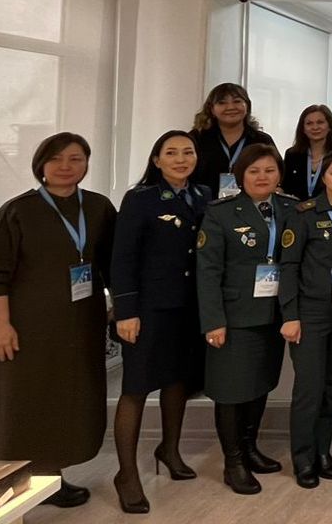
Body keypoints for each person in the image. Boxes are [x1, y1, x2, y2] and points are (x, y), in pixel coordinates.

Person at [0, 132, 117, 509]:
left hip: (81, 324)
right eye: (56, 159)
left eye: (76, 159)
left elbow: (114, 263)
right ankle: (9, 485)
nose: (66, 166)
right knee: (22, 401)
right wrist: (1, 325)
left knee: (68, 399)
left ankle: (51, 479)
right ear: (41, 165)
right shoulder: (18, 211)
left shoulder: (98, 207)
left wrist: (119, 305)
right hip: (28, 326)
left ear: (86, 164)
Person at [109, 131, 210, 513]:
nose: (181, 159)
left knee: (177, 381)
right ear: (156, 160)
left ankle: (169, 450)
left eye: (188, 152)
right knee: (136, 388)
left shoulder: (203, 195)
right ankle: (126, 474)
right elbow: (123, 257)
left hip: (189, 307)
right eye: (171, 153)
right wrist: (126, 310)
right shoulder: (141, 199)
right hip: (149, 309)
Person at [196, 144, 297, 495]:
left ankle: (251, 447)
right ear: (241, 176)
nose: (262, 177)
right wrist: (213, 321)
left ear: (279, 174)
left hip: (275, 314)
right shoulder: (221, 213)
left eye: (269, 170)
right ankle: (233, 461)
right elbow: (207, 271)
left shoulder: (291, 208)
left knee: (260, 383)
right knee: (230, 390)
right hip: (234, 316)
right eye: (254, 171)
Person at [278, 148, 332, 489]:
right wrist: (290, 314)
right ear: (323, 176)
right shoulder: (305, 213)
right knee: (309, 388)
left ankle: (322, 450)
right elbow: (289, 266)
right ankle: (302, 457)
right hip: (310, 312)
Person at [189, 83, 277, 199]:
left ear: (247, 106)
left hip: (251, 204)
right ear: (212, 109)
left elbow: (275, 172)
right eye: (222, 103)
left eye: (237, 101)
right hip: (202, 204)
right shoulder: (196, 138)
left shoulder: (261, 140)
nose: (230, 107)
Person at [282, 105, 332, 201]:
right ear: (303, 129)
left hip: (329, 209)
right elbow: (285, 187)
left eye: (320, 122)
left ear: (330, 126)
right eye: (309, 123)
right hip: (296, 208)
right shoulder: (292, 155)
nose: (315, 127)